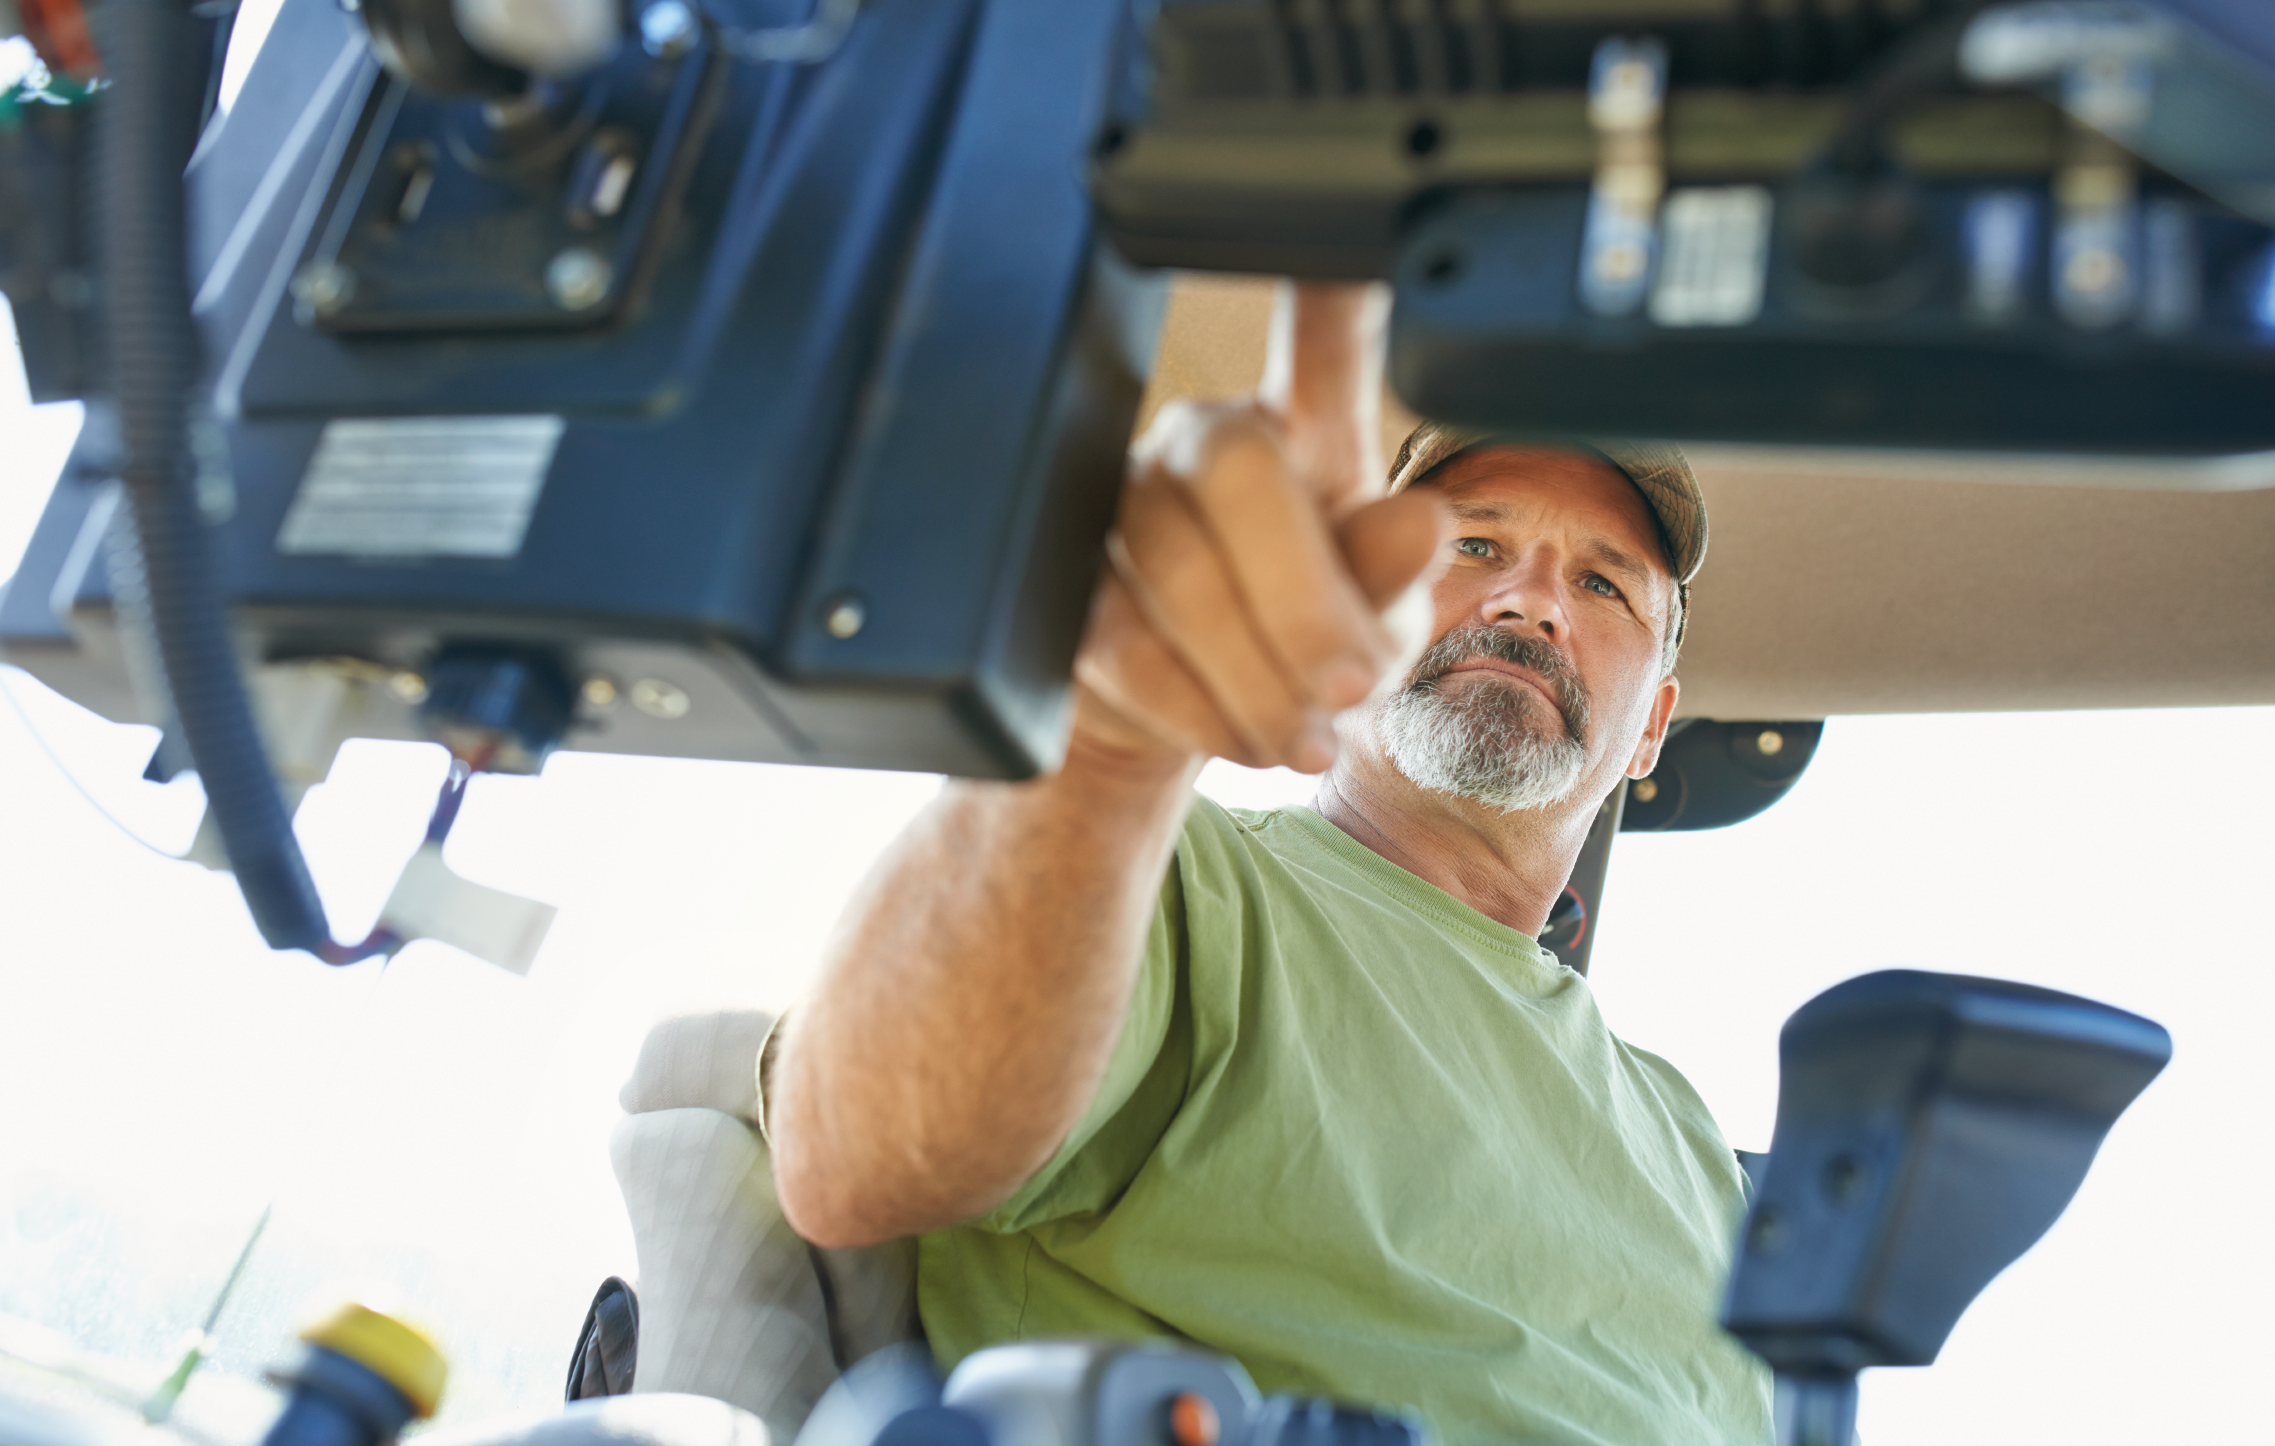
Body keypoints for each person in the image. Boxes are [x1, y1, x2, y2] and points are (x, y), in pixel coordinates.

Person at [765, 285, 1773, 1446]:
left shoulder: (1690, 1145)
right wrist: (1110, 731)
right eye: (1474, 544)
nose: (1530, 600)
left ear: (1653, 728)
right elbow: (856, 1158)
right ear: (1356, 608)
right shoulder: (1165, 879)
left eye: (1602, 583)